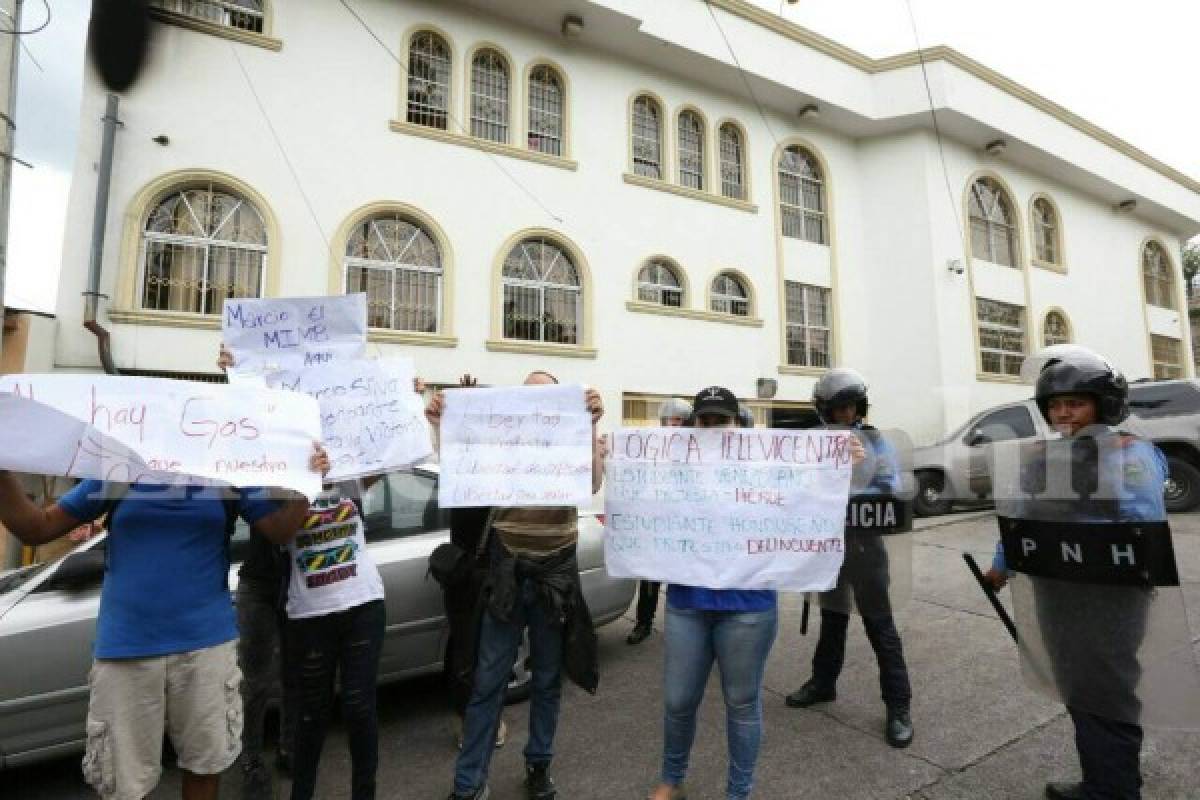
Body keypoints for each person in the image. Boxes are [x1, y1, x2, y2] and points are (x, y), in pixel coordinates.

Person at [0, 452, 325, 800]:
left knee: (204, 767)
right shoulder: (119, 468)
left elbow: (280, 530)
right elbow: (36, 527)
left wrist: (310, 481)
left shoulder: (225, 469)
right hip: (126, 651)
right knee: (124, 785)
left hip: (206, 646)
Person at [649, 386, 864, 800]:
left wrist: (841, 465)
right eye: (704, 421)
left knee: (742, 703)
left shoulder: (766, 466)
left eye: (721, 421)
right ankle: (671, 780)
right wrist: (608, 455)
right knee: (677, 701)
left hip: (747, 608)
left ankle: (739, 792)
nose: (711, 429)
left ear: (739, 425)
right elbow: (642, 497)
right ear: (693, 425)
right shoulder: (674, 466)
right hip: (686, 605)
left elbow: (808, 501)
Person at [981, 347, 1169, 800]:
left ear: (1102, 405)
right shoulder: (1042, 458)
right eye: (1056, 405)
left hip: (1110, 596)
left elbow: (1144, 526)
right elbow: (1022, 519)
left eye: (1076, 403)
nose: (1064, 414)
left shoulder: (1131, 454)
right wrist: (1001, 566)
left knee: (1110, 690)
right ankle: (1099, 782)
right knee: (1078, 688)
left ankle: (1117, 790)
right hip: (1056, 592)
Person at [431, 371, 606, 800]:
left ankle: (538, 767)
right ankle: (469, 783)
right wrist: (440, 424)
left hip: (556, 574)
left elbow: (593, 483)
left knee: (547, 679)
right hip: (506, 572)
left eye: (547, 395)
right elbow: (459, 463)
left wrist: (592, 425)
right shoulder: (500, 440)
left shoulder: (572, 436)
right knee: (488, 681)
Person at [785, 369, 914, 749]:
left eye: (850, 408)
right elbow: (797, 489)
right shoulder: (813, 444)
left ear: (860, 407)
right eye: (836, 409)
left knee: (880, 626)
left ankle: (899, 706)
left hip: (867, 546)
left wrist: (861, 464)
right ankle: (823, 683)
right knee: (833, 618)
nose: (844, 416)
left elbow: (892, 490)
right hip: (831, 545)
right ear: (824, 410)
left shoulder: (875, 441)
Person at [217, 345, 296, 799]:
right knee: (255, 677)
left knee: (293, 672)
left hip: (304, 582)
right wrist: (236, 378)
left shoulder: (313, 447)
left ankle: (288, 745)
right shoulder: (253, 448)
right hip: (260, 581)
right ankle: (249, 756)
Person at [439, 373, 508, 749]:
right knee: (465, 654)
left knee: (491, 654)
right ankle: (466, 722)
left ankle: (489, 720)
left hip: (498, 572)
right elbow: (443, 443)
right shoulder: (458, 461)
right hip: (465, 575)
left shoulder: (508, 464)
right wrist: (454, 408)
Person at [627, 397, 692, 646]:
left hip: (686, 524)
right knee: (649, 579)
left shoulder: (697, 451)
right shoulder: (653, 448)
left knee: (686, 578)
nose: (672, 425)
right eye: (669, 420)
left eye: (678, 420)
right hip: (658, 521)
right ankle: (644, 622)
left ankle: (689, 625)